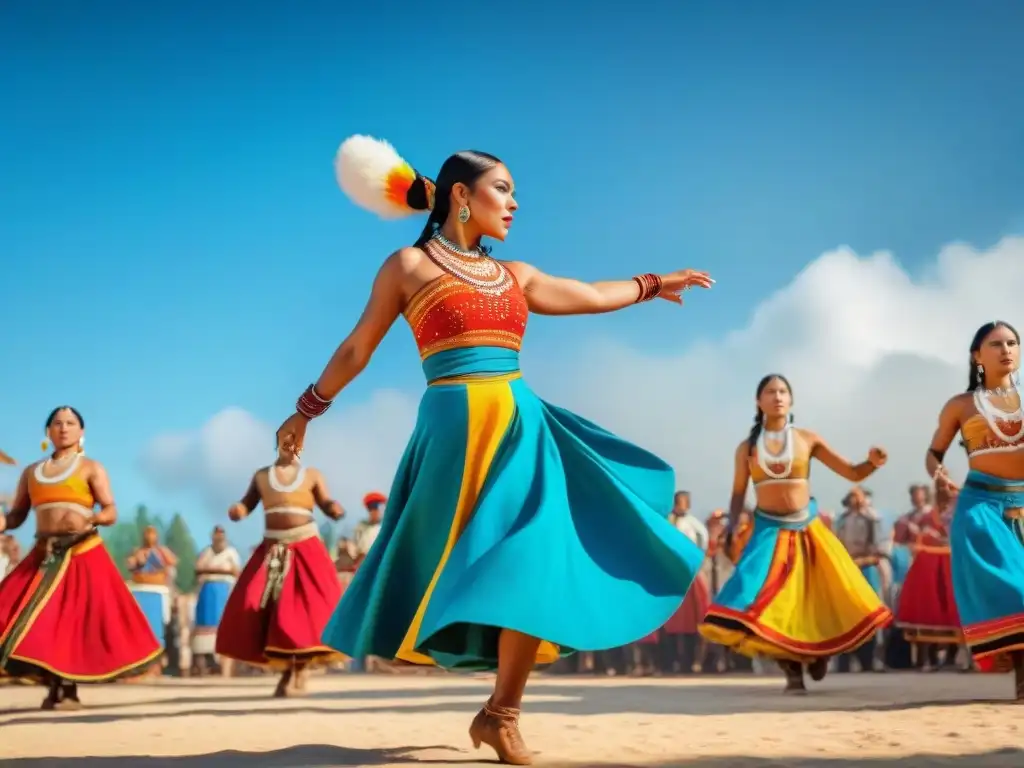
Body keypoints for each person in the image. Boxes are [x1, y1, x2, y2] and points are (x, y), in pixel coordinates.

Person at [274, 135, 710, 765]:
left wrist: (652, 283)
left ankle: (501, 712)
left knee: (531, 558)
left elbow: (586, 295)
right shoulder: (407, 267)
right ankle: (486, 697)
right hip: (452, 432)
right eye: (502, 189)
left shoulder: (516, 275)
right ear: (461, 195)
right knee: (455, 561)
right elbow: (356, 349)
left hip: (519, 426)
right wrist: (306, 409)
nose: (513, 204)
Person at [699, 374, 892, 694]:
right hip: (768, 532)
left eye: (783, 391)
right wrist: (733, 526)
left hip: (807, 530)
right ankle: (792, 671)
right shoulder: (747, 448)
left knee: (816, 599)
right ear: (758, 402)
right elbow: (737, 494)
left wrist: (872, 463)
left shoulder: (807, 439)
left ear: (791, 400)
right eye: (770, 392)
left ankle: (818, 655)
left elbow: (852, 472)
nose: (777, 396)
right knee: (764, 599)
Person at [0, 406, 161, 708]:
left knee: (71, 624)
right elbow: (18, 515)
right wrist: (4, 523)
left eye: (70, 423)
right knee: (26, 618)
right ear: (47, 432)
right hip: (44, 554)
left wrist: (97, 518)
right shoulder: (31, 473)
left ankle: (68, 688)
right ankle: (54, 685)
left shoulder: (91, 468)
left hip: (81, 553)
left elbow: (110, 509)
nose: (64, 428)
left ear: (81, 432)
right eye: (57, 423)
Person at [926, 320, 1024, 697]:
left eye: (1012, 343)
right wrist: (938, 476)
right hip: (982, 505)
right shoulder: (961, 405)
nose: (1006, 350)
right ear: (976, 356)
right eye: (996, 344)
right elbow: (934, 453)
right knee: (1014, 589)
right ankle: (1022, 675)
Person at [215, 448, 345, 697]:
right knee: (258, 605)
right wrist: (238, 511)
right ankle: (287, 669)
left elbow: (325, 502)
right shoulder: (262, 476)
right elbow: (247, 503)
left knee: (306, 612)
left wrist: (333, 508)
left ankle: (301, 670)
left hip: (306, 547)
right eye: (285, 439)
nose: (290, 444)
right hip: (271, 549)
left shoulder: (312, 475)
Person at [191, 526, 241, 676]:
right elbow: (198, 568)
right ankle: (207, 665)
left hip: (223, 591)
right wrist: (211, 569)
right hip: (207, 593)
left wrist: (216, 570)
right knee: (204, 631)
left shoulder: (231, 553)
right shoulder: (206, 552)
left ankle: (225, 668)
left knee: (224, 626)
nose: (218, 539)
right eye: (216, 536)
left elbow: (236, 571)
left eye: (221, 536)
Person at [127, 525, 178, 667]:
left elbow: (173, 562)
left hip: (157, 592)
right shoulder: (138, 551)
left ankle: (157, 665)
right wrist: (138, 560)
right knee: (140, 627)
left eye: (152, 534)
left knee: (157, 629)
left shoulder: (162, 552)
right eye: (147, 533)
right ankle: (140, 664)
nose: (150, 537)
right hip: (140, 591)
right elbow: (130, 565)